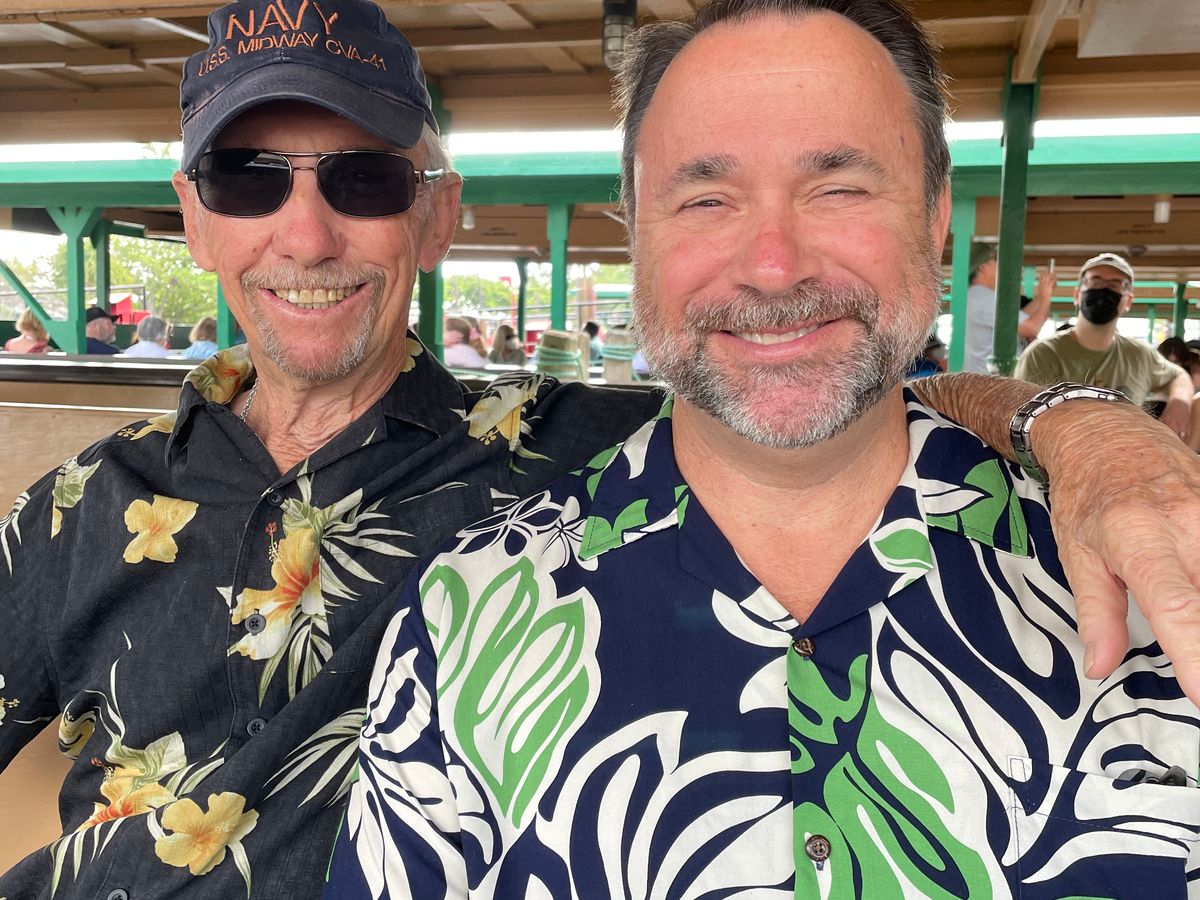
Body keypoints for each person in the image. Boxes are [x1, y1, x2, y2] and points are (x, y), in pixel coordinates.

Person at [5, 2, 1200, 898]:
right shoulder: (79, 505)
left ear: (437, 214)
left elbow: (819, 378)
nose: (306, 234)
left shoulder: (562, 454)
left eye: (365, 179)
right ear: (194, 213)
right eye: (246, 178)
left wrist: (1085, 431)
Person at [1016, 252, 1193, 437]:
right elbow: (1027, 423)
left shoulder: (1140, 354)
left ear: (1128, 301)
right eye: (1095, 282)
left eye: (1115, 285)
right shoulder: (1042, 354)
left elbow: (1178, 376)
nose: (1104, 290)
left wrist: (1179, 402)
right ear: (1077, 295)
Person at [963, 244, 1052, 372]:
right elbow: (1031, 328)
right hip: (988, 381)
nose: (999, 264)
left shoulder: (976, 296)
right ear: (982, 266)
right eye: (995, 259)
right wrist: (1046, 296)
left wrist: (1040, 296)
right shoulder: (985, 298)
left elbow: (1016, 320)